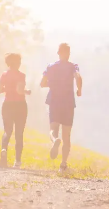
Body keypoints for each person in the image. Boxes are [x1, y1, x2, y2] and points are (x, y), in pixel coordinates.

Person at [40, 43, 82, 172]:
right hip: (68, 102)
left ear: (58, 53)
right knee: (67, 135)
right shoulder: (73, 66)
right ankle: (63, 164)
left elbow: (42, 83)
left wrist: (53, 84)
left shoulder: (50, 67)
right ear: (68, 54)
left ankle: (55, 140)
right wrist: (79, 89)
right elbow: (78, 77)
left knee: (53, 129)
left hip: (54, 100)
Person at [0, 53, 31, 169]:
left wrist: (7, 88)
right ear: (17, 63)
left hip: (7, 104)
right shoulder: (21, 75)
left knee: (7, 130)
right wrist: (27, 91)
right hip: (20, 105)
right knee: (19, 133)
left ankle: (3, 149)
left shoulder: (4, 74)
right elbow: (19, 90)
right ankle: (17, 161)